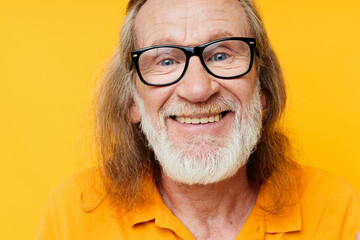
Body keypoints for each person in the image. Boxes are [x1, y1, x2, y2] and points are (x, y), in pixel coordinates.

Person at [36, 0, 360, 239]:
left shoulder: (337, 211)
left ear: (262, 88)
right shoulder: (73, 216)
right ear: (133, 100)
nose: (197, 89)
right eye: (165, 60)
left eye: (221, 55)